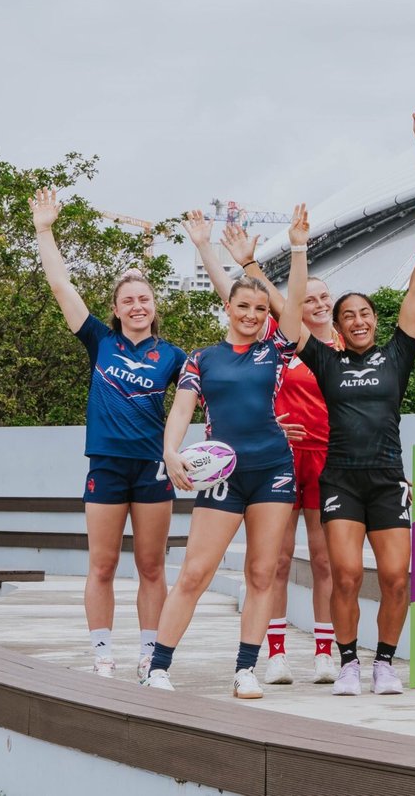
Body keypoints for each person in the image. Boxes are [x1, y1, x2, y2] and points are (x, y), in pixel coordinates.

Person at [282, 193, 415, 694]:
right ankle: (349, 662)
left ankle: (385, 665)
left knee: (396, 577)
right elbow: (286, 314)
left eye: (365, 313)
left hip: (388, 480)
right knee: (347, 574)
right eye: (348, 315)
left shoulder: (396, 356)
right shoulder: (325, 360)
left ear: (375, 319)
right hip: (341, 480)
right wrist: (294, 251)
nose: (357, 320)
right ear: (337, 325)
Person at [32, 188, 186, 682]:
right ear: (116, 310)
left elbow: (216, 397)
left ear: (154, 306)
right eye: (128, 301)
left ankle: (150, 654)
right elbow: (60, 286)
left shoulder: (174, 357)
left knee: (151, 567)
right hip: (106, 465)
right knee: (101, 565)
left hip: (153, 468)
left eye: (144, 299)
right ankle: (102, 654)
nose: (137, 306)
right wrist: (44, 229)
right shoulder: (100, 340)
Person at [183, 213, 337, 687]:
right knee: (278, 560)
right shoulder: (277, 343)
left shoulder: (341, 348)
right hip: (280, 456)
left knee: (324, 560)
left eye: (324, 297)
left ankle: (326, 653)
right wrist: (216, 252)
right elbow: (237, 301)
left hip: (327, 457)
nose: (316, 303)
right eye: (307, 298)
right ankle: (275, 653)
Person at [146, 243, 303, 697]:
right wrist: (170, 452)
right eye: (243, 306)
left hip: (273, 470)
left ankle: (245, 670)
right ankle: (157, 668)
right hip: (223, 477)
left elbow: (293, 304)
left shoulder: (276, 349)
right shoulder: (202, 358)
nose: (252, 315)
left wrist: (297, 249)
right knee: (195, 572)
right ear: (228, 308)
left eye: (260, 308)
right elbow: (181, 409)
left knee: (262, 573)